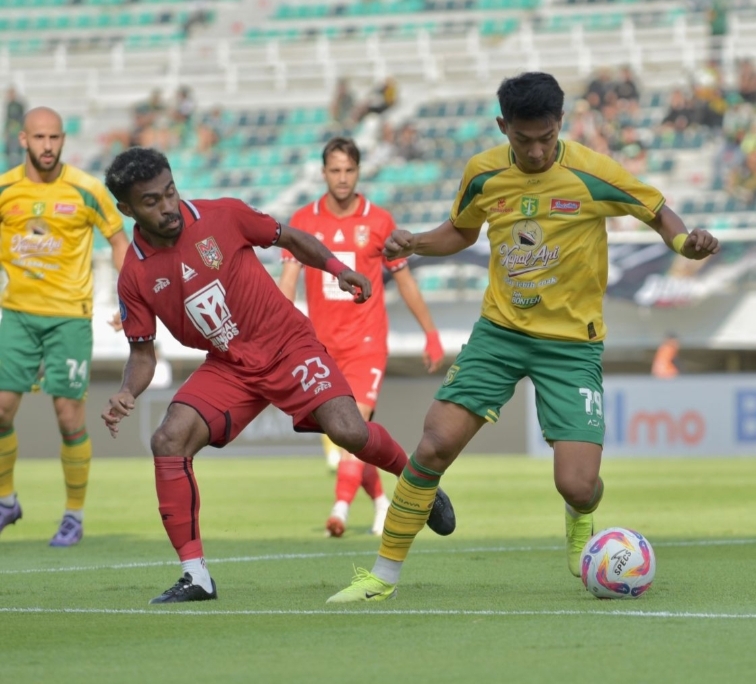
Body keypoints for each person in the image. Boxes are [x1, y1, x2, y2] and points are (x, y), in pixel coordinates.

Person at [325, 71, 720, 603]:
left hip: (572, 343)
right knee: (433, 443)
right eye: (523, 139)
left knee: (578, 485)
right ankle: (382, 576)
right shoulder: (483, 174)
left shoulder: (592, 171)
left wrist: (684, 243)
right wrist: (416, 242)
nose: (536, 152)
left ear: (561, 124)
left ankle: (581, 517)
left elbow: (656, 211)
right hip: (501, 332)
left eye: (546, 138)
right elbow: (462, 230)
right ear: (502, 126)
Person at [99, 147, 456, 604]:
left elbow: (289, 238)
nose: (167, 206)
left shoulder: (223, 215)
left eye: (170, 192)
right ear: (127, 208)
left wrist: (339, 269)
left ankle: (418, 482)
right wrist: (127, 391)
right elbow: (143, 353)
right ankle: (196, 576)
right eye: (151, 201)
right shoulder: (134, 275)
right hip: (230, 365)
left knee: (348, 430)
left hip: (286, 344)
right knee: (168, 439)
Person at [278, 137, 445, 537]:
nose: (342, 178)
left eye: (349, 170)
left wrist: (431, 334)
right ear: (323, 173)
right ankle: (382, 502)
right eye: (334, 171)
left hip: (366, 344)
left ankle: (339, 510)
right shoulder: (303, 220)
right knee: (352, 436)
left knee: (354, 426)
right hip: (321, 349)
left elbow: (404, 281)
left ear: (359, 172)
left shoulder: (378, 221)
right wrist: (279, 336)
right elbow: (287, 283)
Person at [0, 107, 129, 546]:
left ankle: (74, 514)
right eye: (39, 138)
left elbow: (118, 237)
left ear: (63, 140)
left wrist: (128, 296)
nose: (48, 146)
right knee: (0, 408)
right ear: (23, 140)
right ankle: (6, 501)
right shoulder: (5, 190)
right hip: (16, 315)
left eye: (55, 138)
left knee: (68, 416)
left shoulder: (86, 189)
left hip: (68, 318)